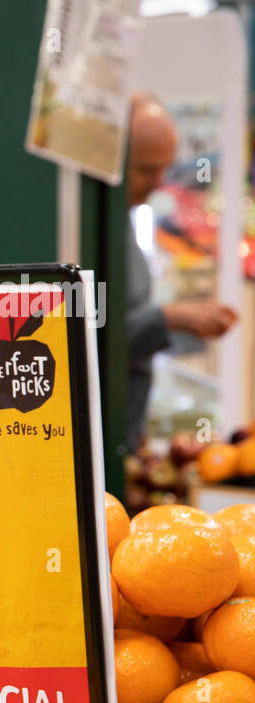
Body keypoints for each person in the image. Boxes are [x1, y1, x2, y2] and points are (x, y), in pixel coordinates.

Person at [124, 92, 236, 450]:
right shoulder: (85, 228)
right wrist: (171, 317)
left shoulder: (121, 221)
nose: (158, 183)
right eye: (145, 169)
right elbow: (87, 336)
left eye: (164, 169)